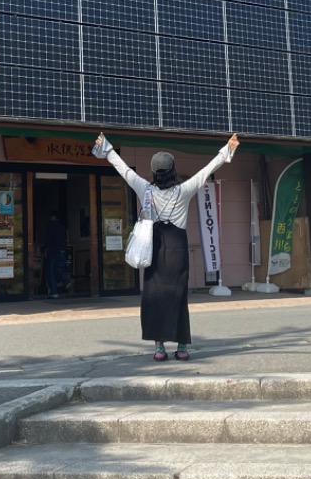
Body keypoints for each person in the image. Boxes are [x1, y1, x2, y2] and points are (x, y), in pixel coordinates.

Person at [93, 132, 240, 360]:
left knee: (154, 296)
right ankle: (181, 348)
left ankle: (159, 348)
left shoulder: (145, 189)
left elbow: (124, 170)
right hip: (178, 249)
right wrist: (227, 149)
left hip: (154, 247)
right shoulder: (184, 191)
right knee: (178, 296)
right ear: (172, 171)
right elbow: (206, 172)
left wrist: (107, 149)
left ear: (153, 172)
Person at [41, 210, 69, 299]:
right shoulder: (62, 227)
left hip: (52, 251)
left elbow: (47, 239)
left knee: (51, 272)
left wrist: (45, 249)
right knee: (60, 267)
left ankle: (54, 292)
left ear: (53, 217)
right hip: (61, 250)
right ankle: (66, 280)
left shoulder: (50, 227)